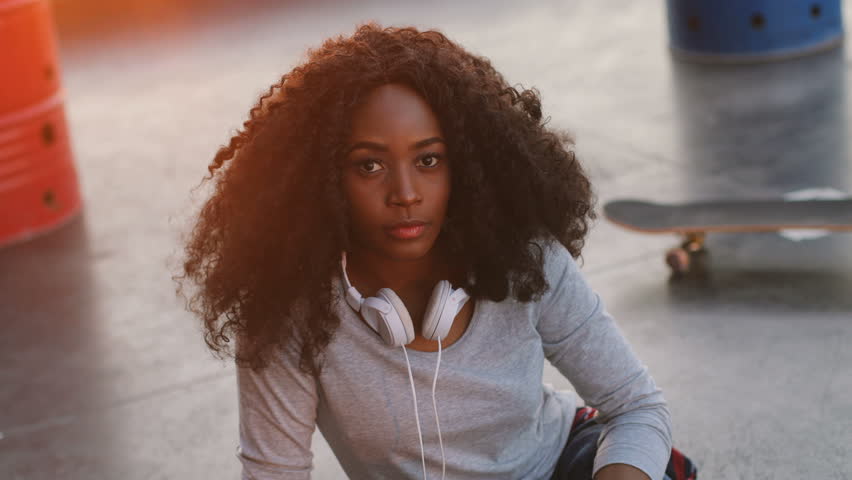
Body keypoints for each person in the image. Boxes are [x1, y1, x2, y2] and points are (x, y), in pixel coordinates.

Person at [178, 23, 698, 480]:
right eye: (369, 165)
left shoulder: (524, 261)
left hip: (564, 463)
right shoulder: (288, 309)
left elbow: (636, 407)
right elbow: (274, 474)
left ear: (466, 165)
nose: (405, 193)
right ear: (322, 179)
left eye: (429, 160)